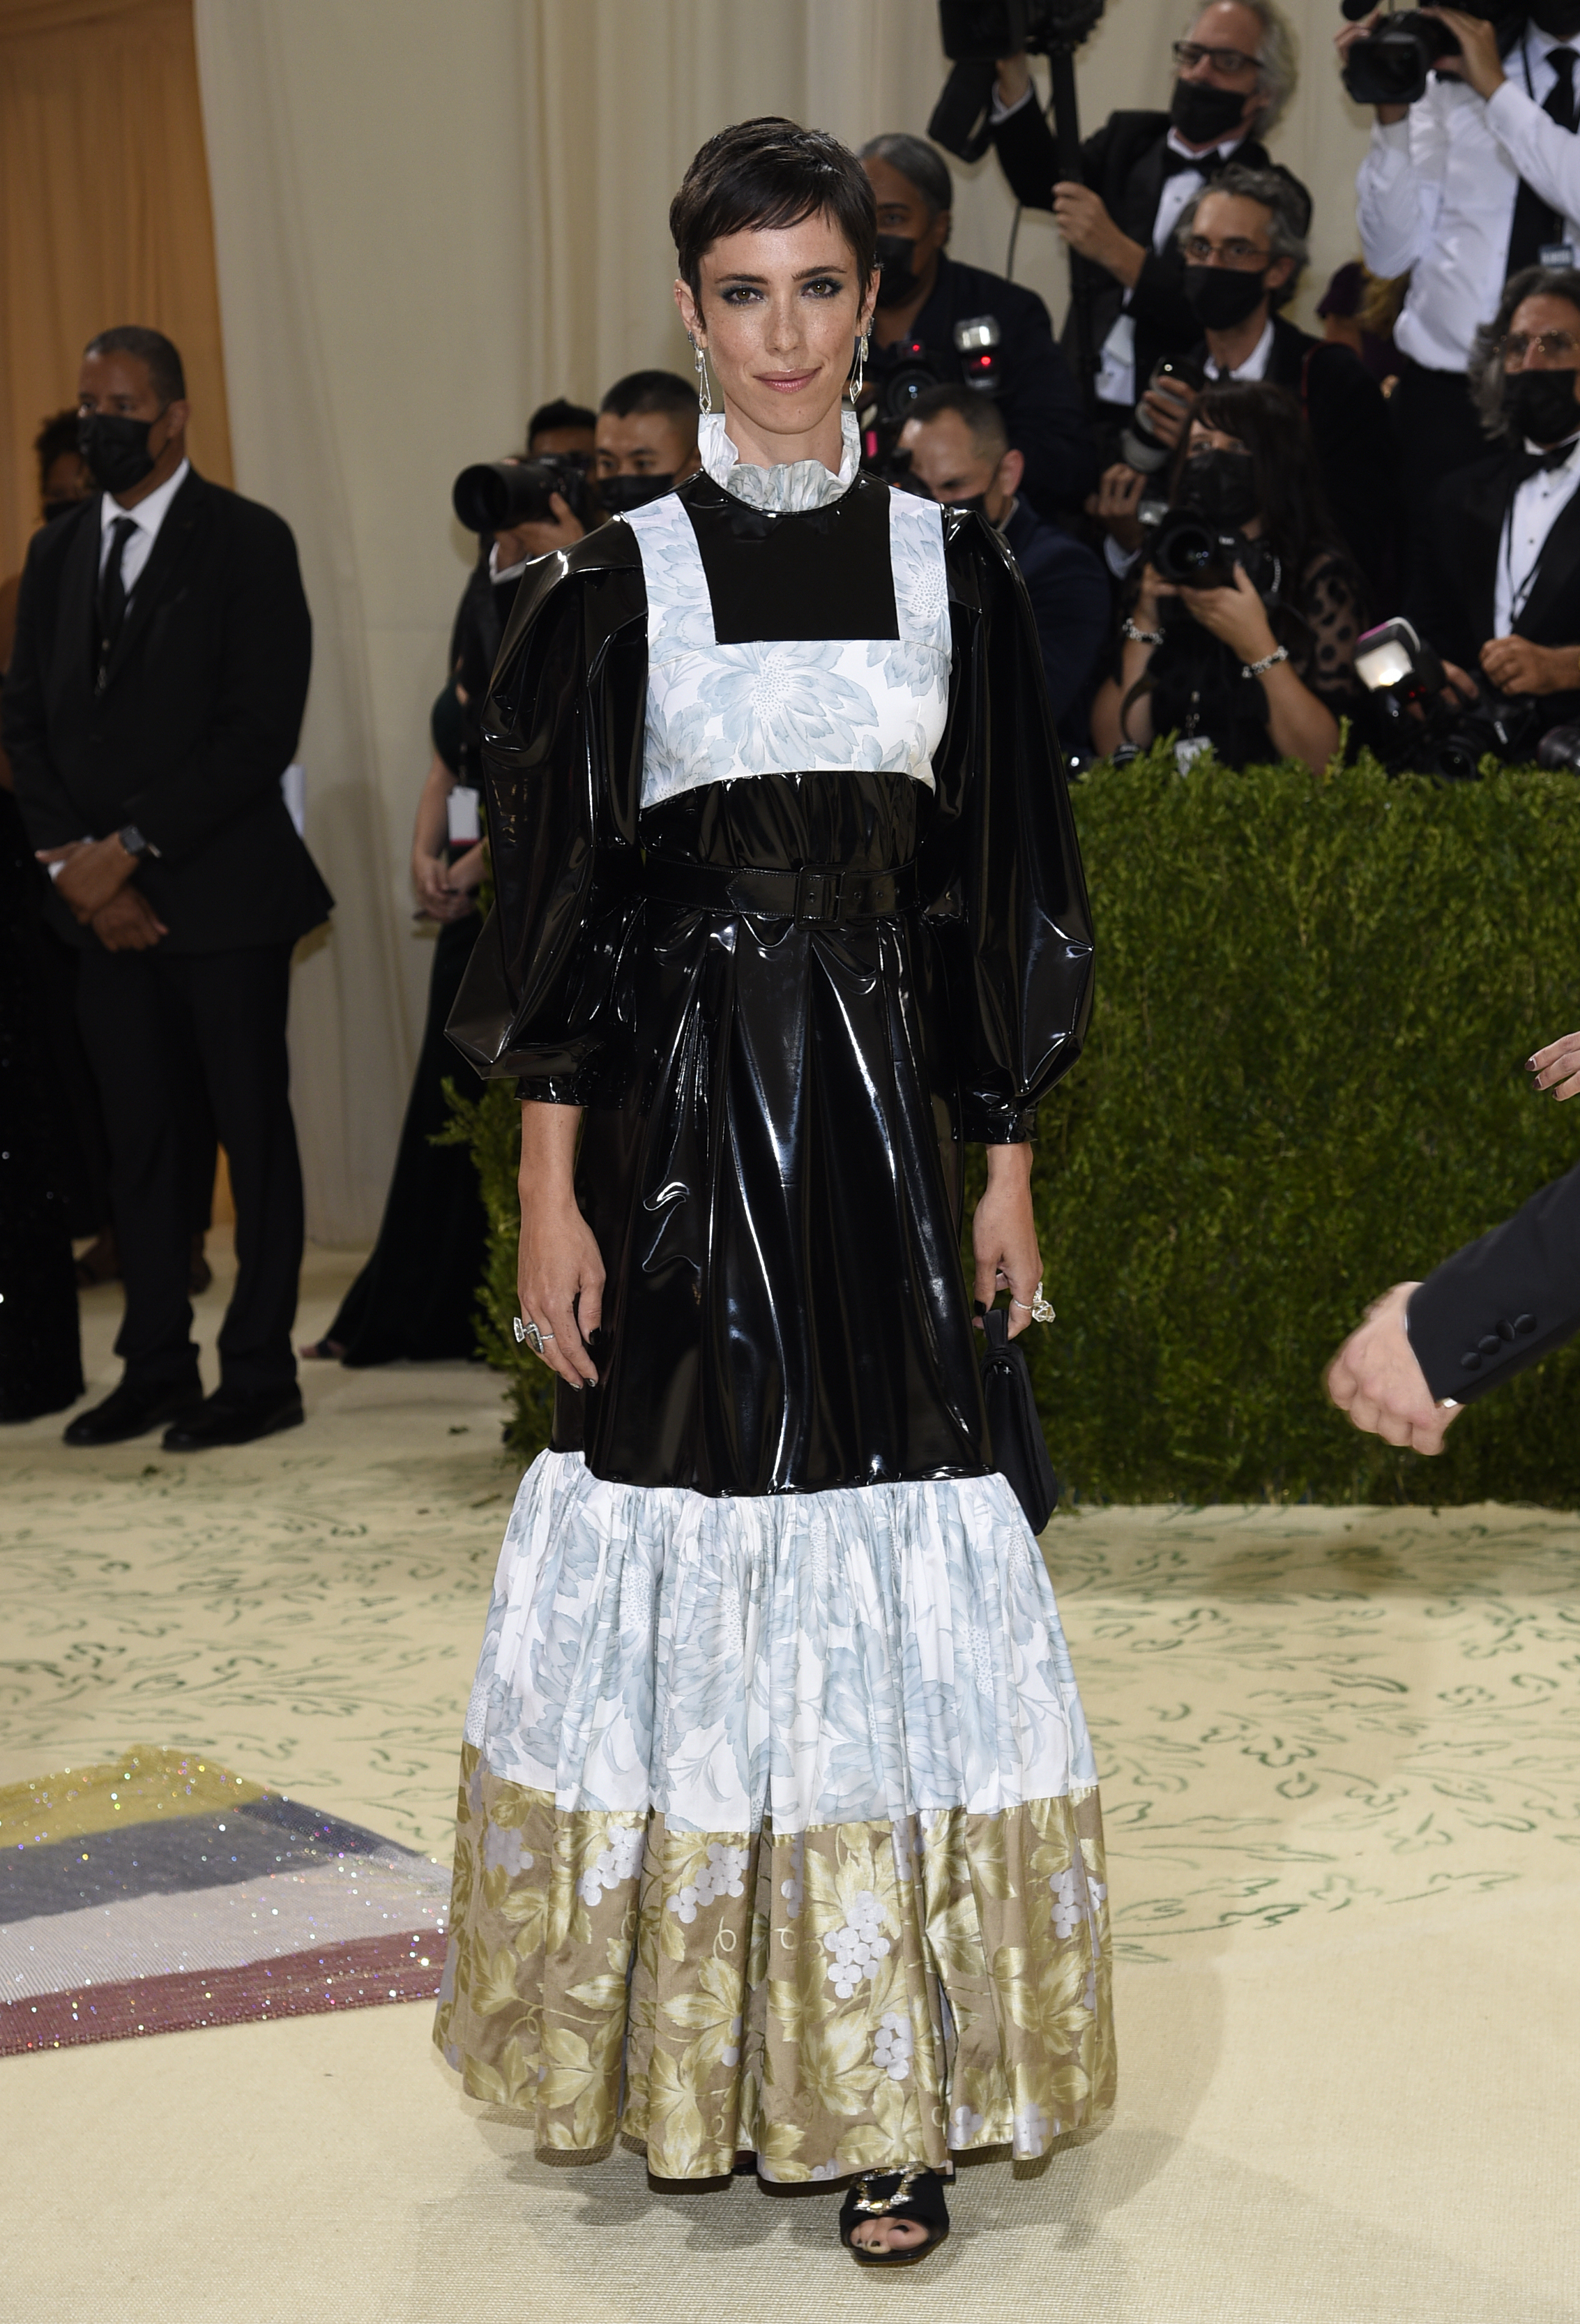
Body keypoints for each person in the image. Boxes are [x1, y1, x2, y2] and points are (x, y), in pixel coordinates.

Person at [434, 116, 1114, 2266]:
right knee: (694, 1550)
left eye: (820, 290)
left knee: (883, 1575)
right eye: (744, 296)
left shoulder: (955, 570)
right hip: (670, 1142)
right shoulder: (599, 582)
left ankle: (890, 2089)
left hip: (893, 1153)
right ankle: (695, 2061)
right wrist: (550, 1182)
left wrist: (1000, 1152)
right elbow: (557, 915)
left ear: (868, 305)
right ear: (689, 313)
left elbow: (1002, 882)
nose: (785, 335)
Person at [4, 324, 328, 1450]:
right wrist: (80, 874)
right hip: (98, 914)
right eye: (88, 401)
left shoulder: (247, 541)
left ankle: (258, 1369)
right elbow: (26, 728)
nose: (101, 422)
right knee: (135, 1145)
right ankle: (153, 1363)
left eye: (122, 404)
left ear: (174, 416)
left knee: (251, 1137)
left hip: (227, 900)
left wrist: (127, 847)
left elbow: (255, 732)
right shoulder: (55, 555)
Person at [988, 0, 1306, 429]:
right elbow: (1040, 184)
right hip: (1078, 391)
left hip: (1175, 414)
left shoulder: (1271, 194)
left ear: (1264, 90)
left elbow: (1221, 311)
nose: (1200, 73)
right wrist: (1012, 71)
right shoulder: (1131, 138)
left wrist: (1118, 253)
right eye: (1192, 56)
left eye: (1226, 62)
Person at [1100, 167, 1400, 602]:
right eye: (1199, 248)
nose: (1212, 266)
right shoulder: (1168, 377)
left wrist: (1214, 439)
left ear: (1279, 270)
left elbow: (1357, 535)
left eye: (1236, 250)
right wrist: (1127, 538)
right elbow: (1149, 532)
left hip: (1295, 620)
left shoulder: (1329, 380)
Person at [300, 684, 487, 1367]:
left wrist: (484, 861)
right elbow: (446, 769)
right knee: (442, 1106)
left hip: (522, 896)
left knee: (494, 1114)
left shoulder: (555, 592)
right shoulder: (480, 613)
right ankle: (408, 1302)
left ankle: (487, 1314)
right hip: (468, 899)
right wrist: (422, 856)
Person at [1344, 0, 1580, 534]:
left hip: (1569, 400)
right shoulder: (1452, 66)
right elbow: (1389, 254)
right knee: (1433, 602)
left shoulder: (1485, 73)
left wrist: (1497, 92)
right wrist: (1392, 119)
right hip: (1448, 401)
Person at [1089, 379, 1367, 776]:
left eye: (1236, 447)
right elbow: (1113, 745)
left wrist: (1258, 647)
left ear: (1275, 460)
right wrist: (1146, 624)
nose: (1215, 461)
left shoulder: (1318, 576)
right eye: (1201, 447)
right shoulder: (1167, 559)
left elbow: (1328, 764)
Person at [858, 132, 1096, 518]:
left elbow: (1069, 461)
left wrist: (966, 452)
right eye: (861, 221)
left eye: (894, 219)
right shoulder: (825, 321)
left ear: (940, 227)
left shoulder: (1008, 314)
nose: (875, 239)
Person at [1406, 266, 1580, 727]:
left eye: (1557, 345)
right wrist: (1429, 673)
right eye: (1518, 347)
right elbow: (1423, 625)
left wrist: (1565, 668)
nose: (1532, 364)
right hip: (1469, 763)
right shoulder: (1455, 495)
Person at [899, 382, 1109, 754]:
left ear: (1008, 474)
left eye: (953, 485)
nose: (932, 504)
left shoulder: (1064, 571)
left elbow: (1021, 711)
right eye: (918, 487)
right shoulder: (897, 551)